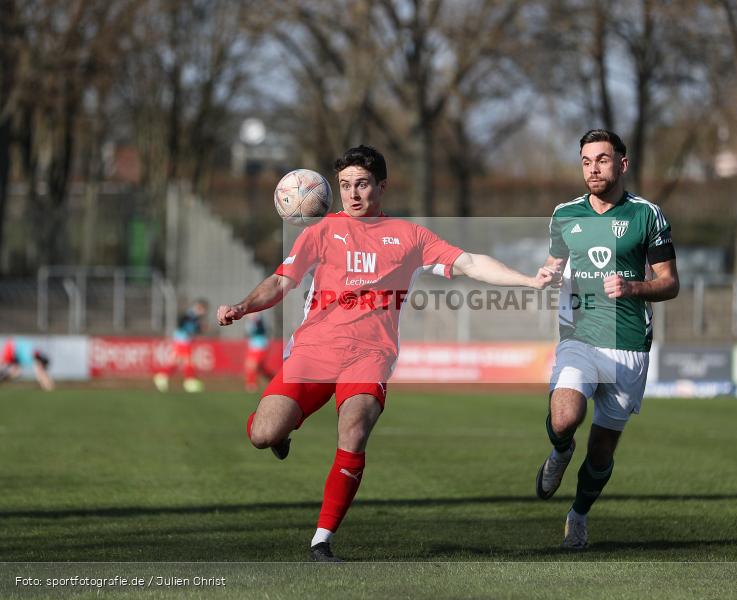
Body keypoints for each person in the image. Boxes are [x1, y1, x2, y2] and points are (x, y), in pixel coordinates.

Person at [217, 145, 555, 562]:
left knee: (355, 426)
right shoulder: (320, 231)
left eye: (361, 184)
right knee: (262, 433)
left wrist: (528, 281)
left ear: (382, 186)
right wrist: (242, 306)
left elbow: (469, 263)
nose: (353, 194)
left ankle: (321, 539)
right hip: (314, 350)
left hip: (371, 354)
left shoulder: (409, 236)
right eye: (344, 186)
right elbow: (280, 282)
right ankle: (279, 434)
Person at [535, 129, 679, 549]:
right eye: (586, 161)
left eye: (601, 159)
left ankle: (578, 515)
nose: (593, 168)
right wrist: (547, 275)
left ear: (622, 164)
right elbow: (554, 264)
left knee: (601, 452)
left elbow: (669, 283)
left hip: (629, 344)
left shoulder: (647, 215)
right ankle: (560, 450)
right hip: (580, 336)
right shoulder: (565, 214)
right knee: (564, 417)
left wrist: (634, 287)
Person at [153, 299, 208, 393]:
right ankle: (189, 382)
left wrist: (198, 328)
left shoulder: (194, 316)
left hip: (183, 340)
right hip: (182, 340)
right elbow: (184, 326)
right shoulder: (190, 315)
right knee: (188, 360)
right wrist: (197, 328)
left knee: (178, 360)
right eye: (203, 309)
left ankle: (163, 376)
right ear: (199, 307)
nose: (204, 312)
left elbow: (194, 329)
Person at [244, 312, 274, 392]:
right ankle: (273, 380)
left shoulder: (257, 317)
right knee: (259, 367)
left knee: (252, 364)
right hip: (253, 345)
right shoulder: (250, 321)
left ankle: (251, 384)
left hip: (260, 345)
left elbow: (257, 320)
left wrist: (252, 316)